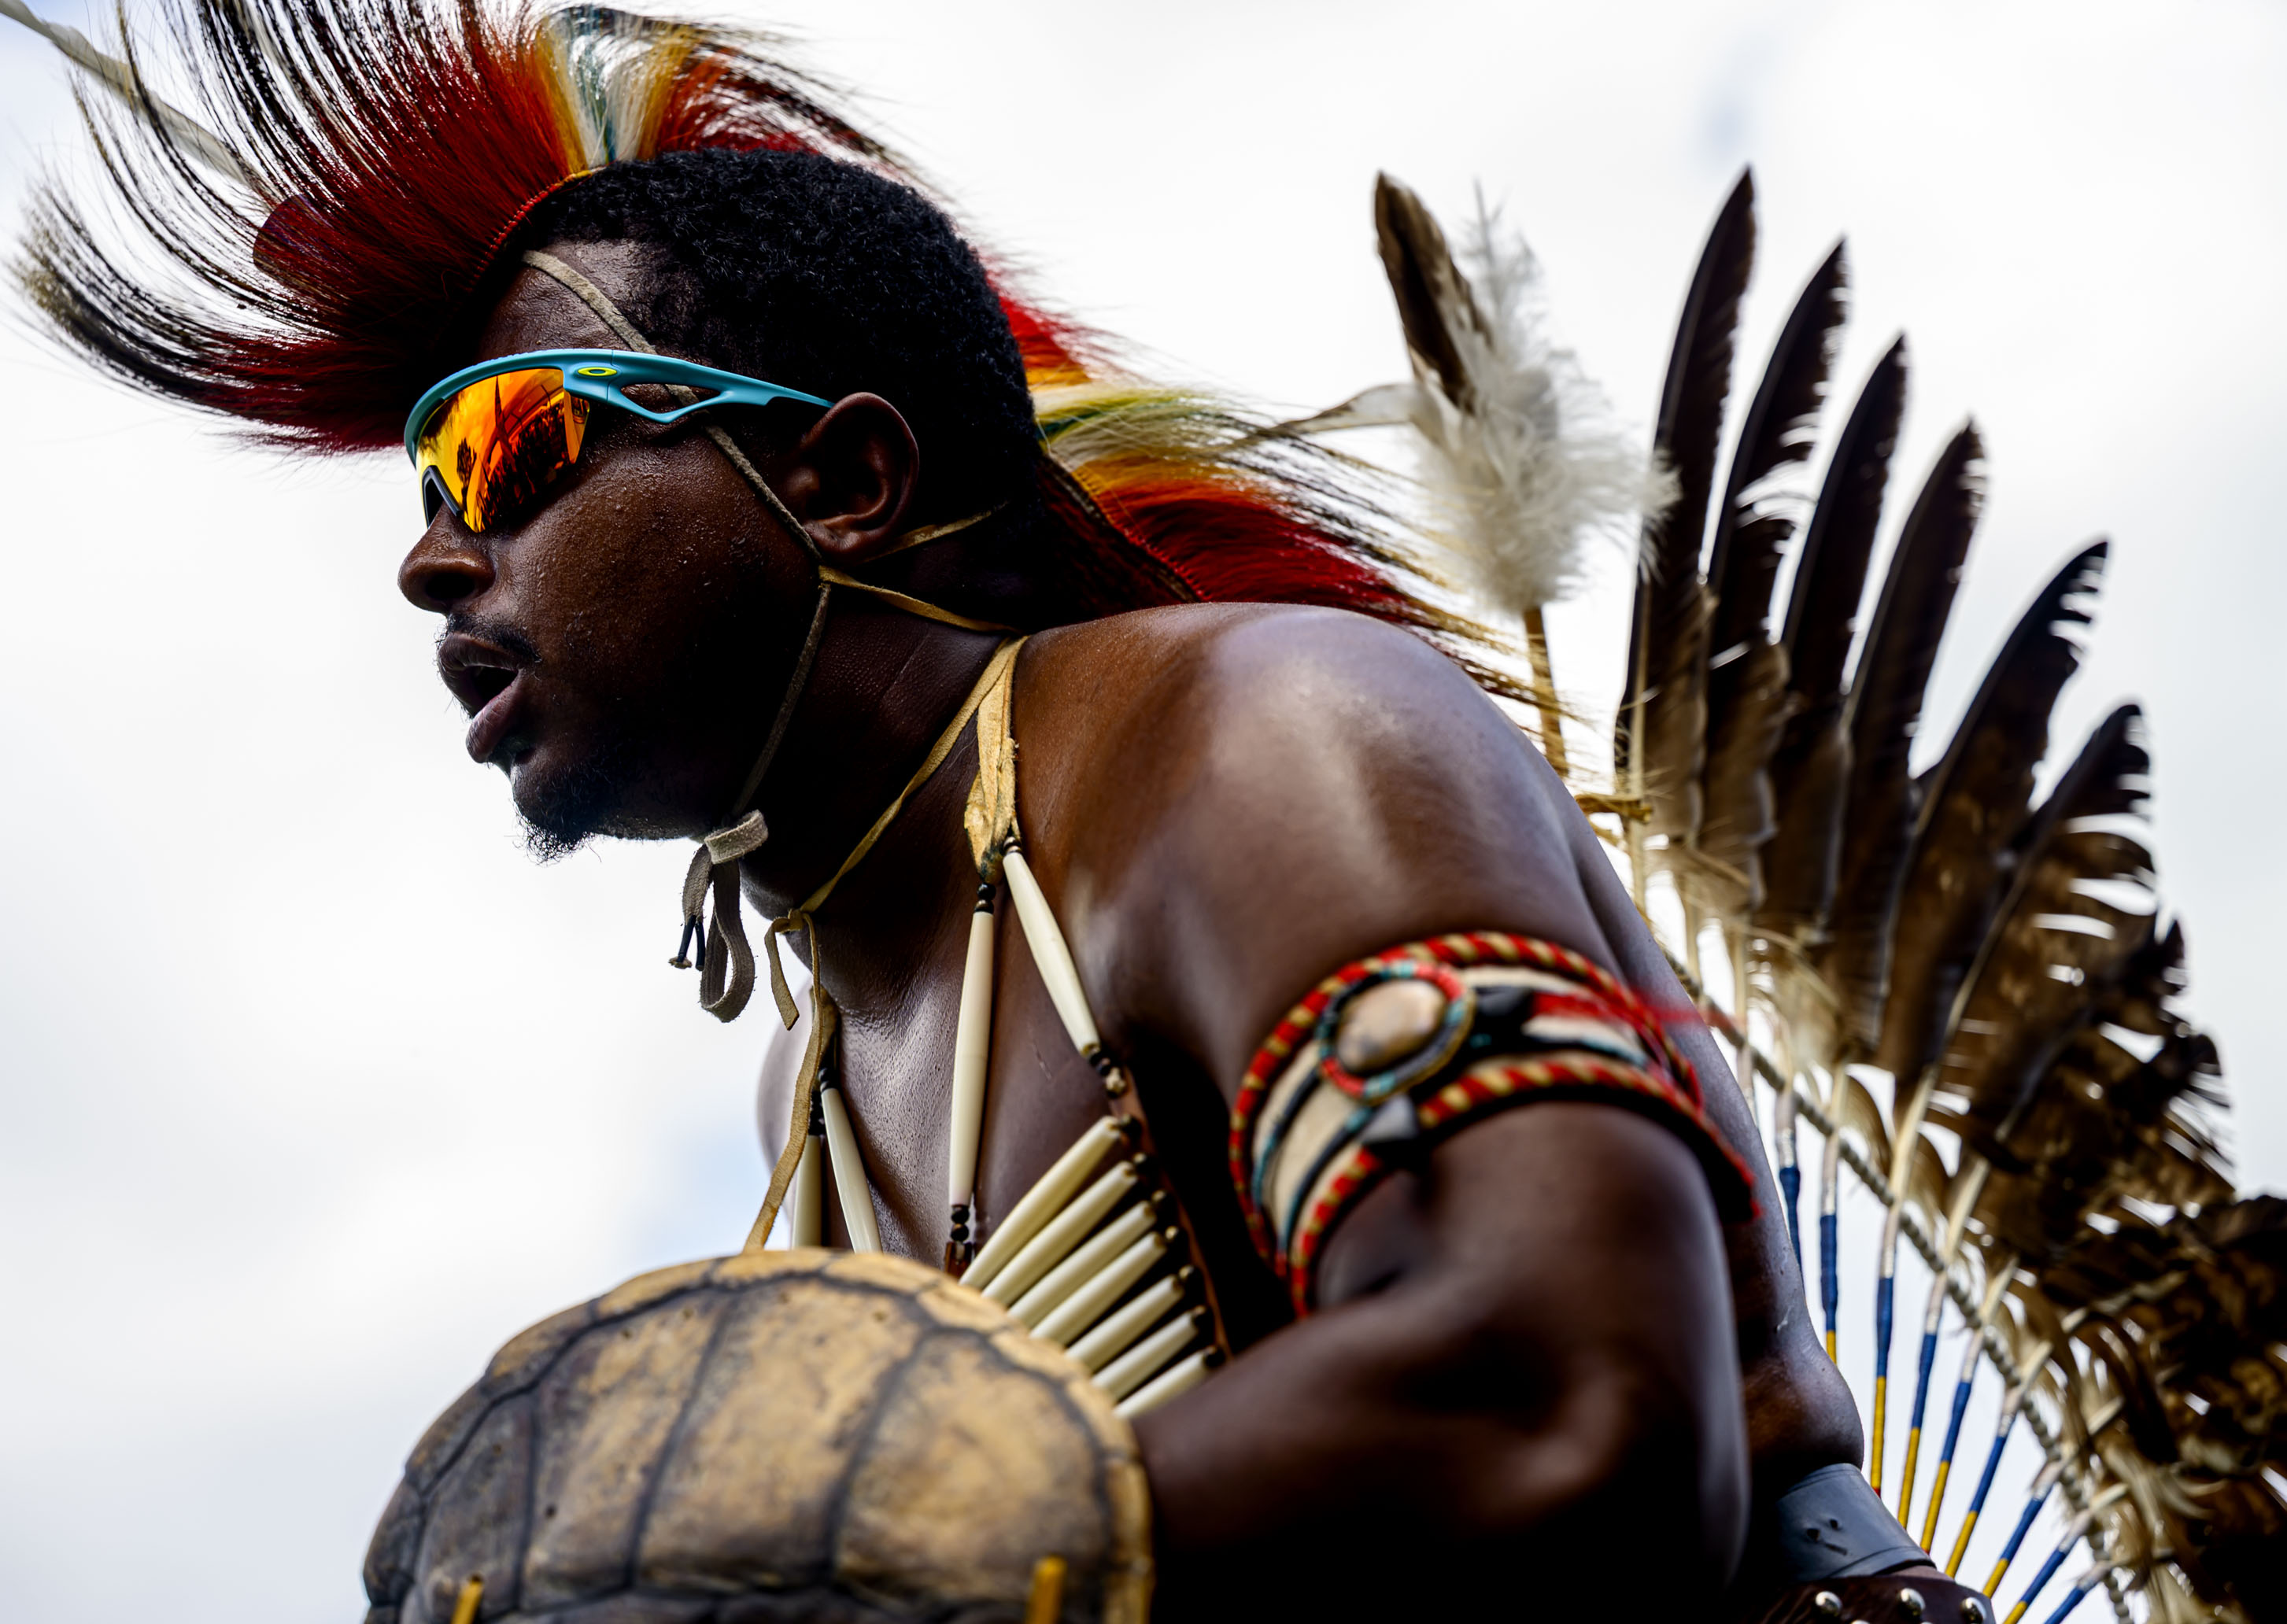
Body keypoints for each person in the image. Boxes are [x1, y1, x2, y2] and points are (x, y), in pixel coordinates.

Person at [10, 3, 1968, 1618]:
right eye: (428, 495)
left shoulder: (1257, 737)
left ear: (842, 482)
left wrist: (849, 1572)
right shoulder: (818, 1123)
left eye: (508, 443)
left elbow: (1565, 1401)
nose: (438, 561)